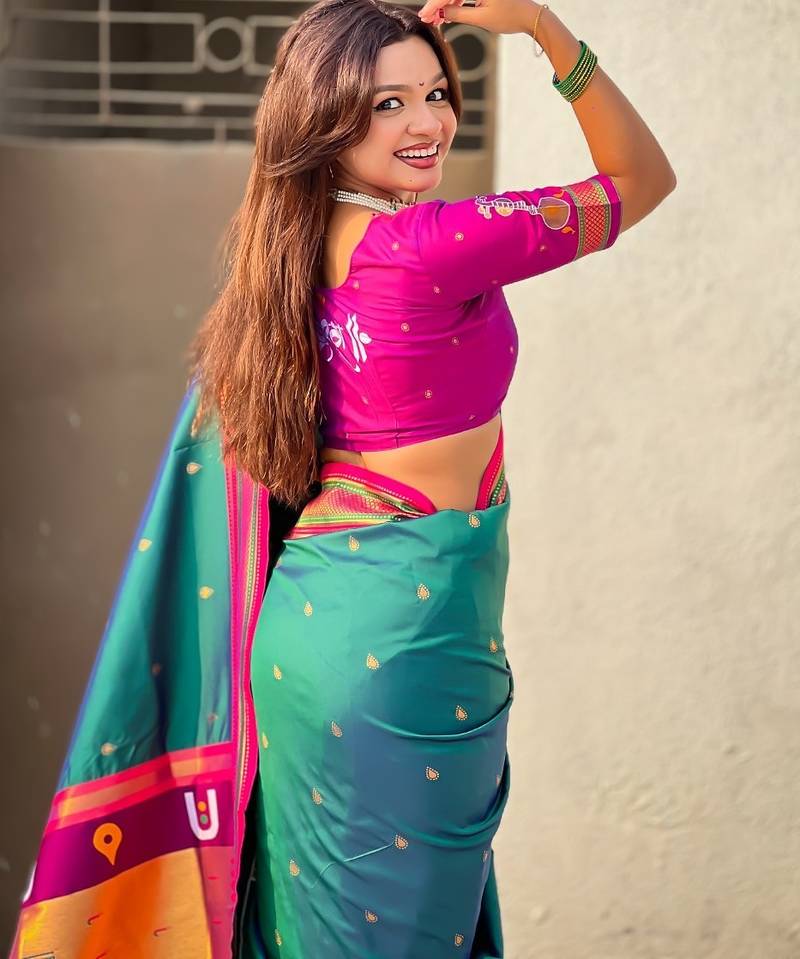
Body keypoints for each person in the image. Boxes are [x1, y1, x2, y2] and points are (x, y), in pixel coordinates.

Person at [10, 0, 675, 956]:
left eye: (435, 93)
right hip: (400, 650)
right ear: (325, 120)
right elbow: (642, 178)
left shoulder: (279, 254)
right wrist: (543, 29)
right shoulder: (434, 242)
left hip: (316, 636)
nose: (426, 122)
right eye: (386, 104)